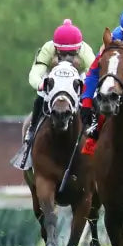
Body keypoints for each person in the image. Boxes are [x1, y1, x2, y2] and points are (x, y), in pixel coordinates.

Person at [12, 20, 96, 170]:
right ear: (56, 48)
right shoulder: (47, 49)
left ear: (79, 48)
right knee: (41, 94)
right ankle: (31, 132)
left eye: (72, 53)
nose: (67, 57)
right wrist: (41, 84)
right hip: (53, 77)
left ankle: (94, 129)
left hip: (78, 77)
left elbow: (93, 74)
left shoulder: (86, 51)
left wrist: (86, 89)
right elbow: (35, 74)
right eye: (63, 53)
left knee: (92, 97)